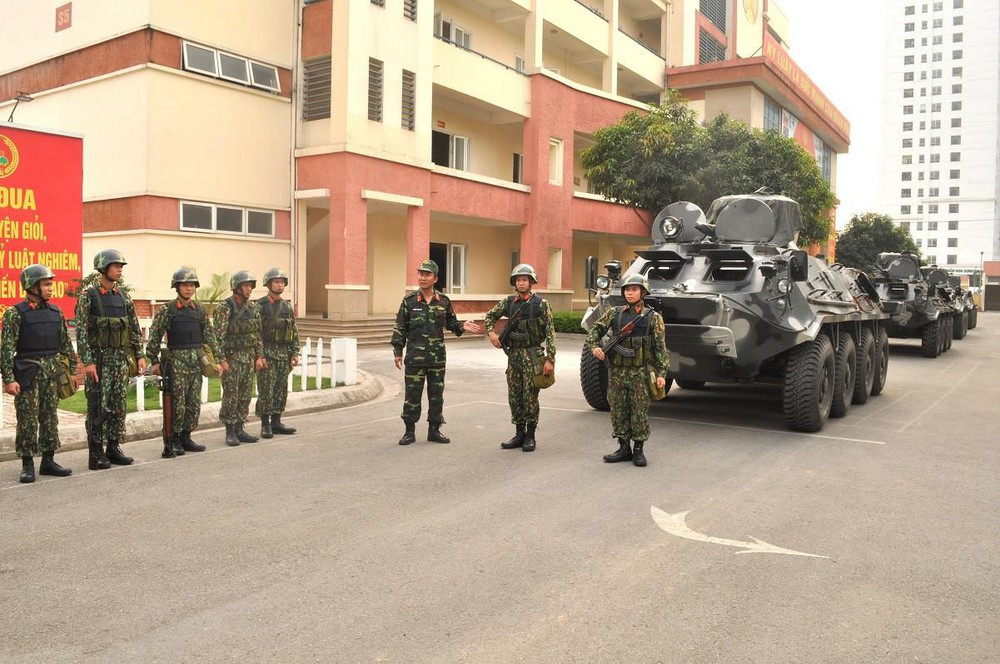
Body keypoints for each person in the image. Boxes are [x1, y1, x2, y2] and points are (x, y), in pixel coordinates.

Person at [390, 259, 482, 445]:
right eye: (421, 274)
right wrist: (398, 351)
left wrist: (462, 325)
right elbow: (400, 327)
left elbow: (452, 324)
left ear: (435, 278)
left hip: (437, 359)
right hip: (415, 358)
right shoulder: (409, 302)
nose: (423, 278)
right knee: (412, 396)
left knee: (436, 396)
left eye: (427, 274)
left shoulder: (444, 301)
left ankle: (434, 430)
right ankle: (409, 431)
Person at [1, 264, 76, 483]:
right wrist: (8, 379)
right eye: (46, 284)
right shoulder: (15, 314)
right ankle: (27, 463)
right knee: (27, 420)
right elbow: (6, 349)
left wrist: (72, 371)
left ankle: (48, 460)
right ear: (32, 286)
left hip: (52, 374)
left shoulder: (56, 312)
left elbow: (65, 344)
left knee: (50, 417)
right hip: (28, 373)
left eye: (50, 284)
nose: (50, 288)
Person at [585, 273, 668, 467]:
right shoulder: (614, 313)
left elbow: (660, 348)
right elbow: (594, 331)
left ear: (643, 292)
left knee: (639, 411)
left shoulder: (653, 318)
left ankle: (638, 449)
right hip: (617, 372)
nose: (630, 293)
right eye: (627, 290)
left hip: (640, 372)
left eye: (634, 290)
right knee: (618, 410)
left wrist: (662, 374)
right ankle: (623, 447)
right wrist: (594, 347)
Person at [75, 249, 146, 470]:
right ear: (103, 268)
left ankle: (114, 447)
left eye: (121, 266)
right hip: (100, 360)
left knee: (118, 405)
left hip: (120, 359)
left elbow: (134, 328)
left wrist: (140, 355)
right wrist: (88, 361)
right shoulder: (88, 297)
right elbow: (82, 332)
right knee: (98, 406)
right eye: (116, 266)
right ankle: (96, 452)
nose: (120, 269)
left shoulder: (123, 296)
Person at [145, 268, 224, 457]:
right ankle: (174, 439)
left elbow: (210, 336)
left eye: (191, 285)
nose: (189, 289)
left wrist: (220, 359)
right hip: (177, 363)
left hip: (196, 362)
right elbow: (154, 336)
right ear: (177, 287)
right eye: (185, 285)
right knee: (177, 404)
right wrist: (154, 361)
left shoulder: (199, 309)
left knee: (193, 402)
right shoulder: (168, 310)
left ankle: (187, 436)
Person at [484, 263, 555, 452]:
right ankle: (519, 433)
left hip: (532, 354)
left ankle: (530, 435)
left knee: (530, 395)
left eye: (525, 280)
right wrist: (491, 334)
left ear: (531, 282)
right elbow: (489, 316)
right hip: (514, 355)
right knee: (515, 395)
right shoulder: (508, 303)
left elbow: (550, 333)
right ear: (514, 283)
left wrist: (550, 359)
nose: (521, 283)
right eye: (518, 280)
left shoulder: (541, 304)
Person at [214, 270, 266, 446]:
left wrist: (259, 356)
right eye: (246, 285)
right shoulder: (224, 308)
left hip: (248, 357)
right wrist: (221, 359)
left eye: (251, 286)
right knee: (231, 395)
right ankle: (230, 431)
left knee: (245, 395)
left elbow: (257, 334)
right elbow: (218, 336)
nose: (249, 289)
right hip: (232, 357)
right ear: (236, 287)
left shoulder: (253, 308)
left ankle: (240, 428)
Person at [255, 267, 300, 438]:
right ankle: (265, 424)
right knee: (266, 390)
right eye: (276, 282)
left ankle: (276, 421)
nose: (280, 285)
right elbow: (256, 332)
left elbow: (294, 330)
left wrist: (294, 352)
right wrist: (260, 355)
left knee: (281, 389)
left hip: (283, 353)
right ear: (268, 284)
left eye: (282, 282)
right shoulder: (260, 306)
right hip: (267, 353)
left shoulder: (287, 306)